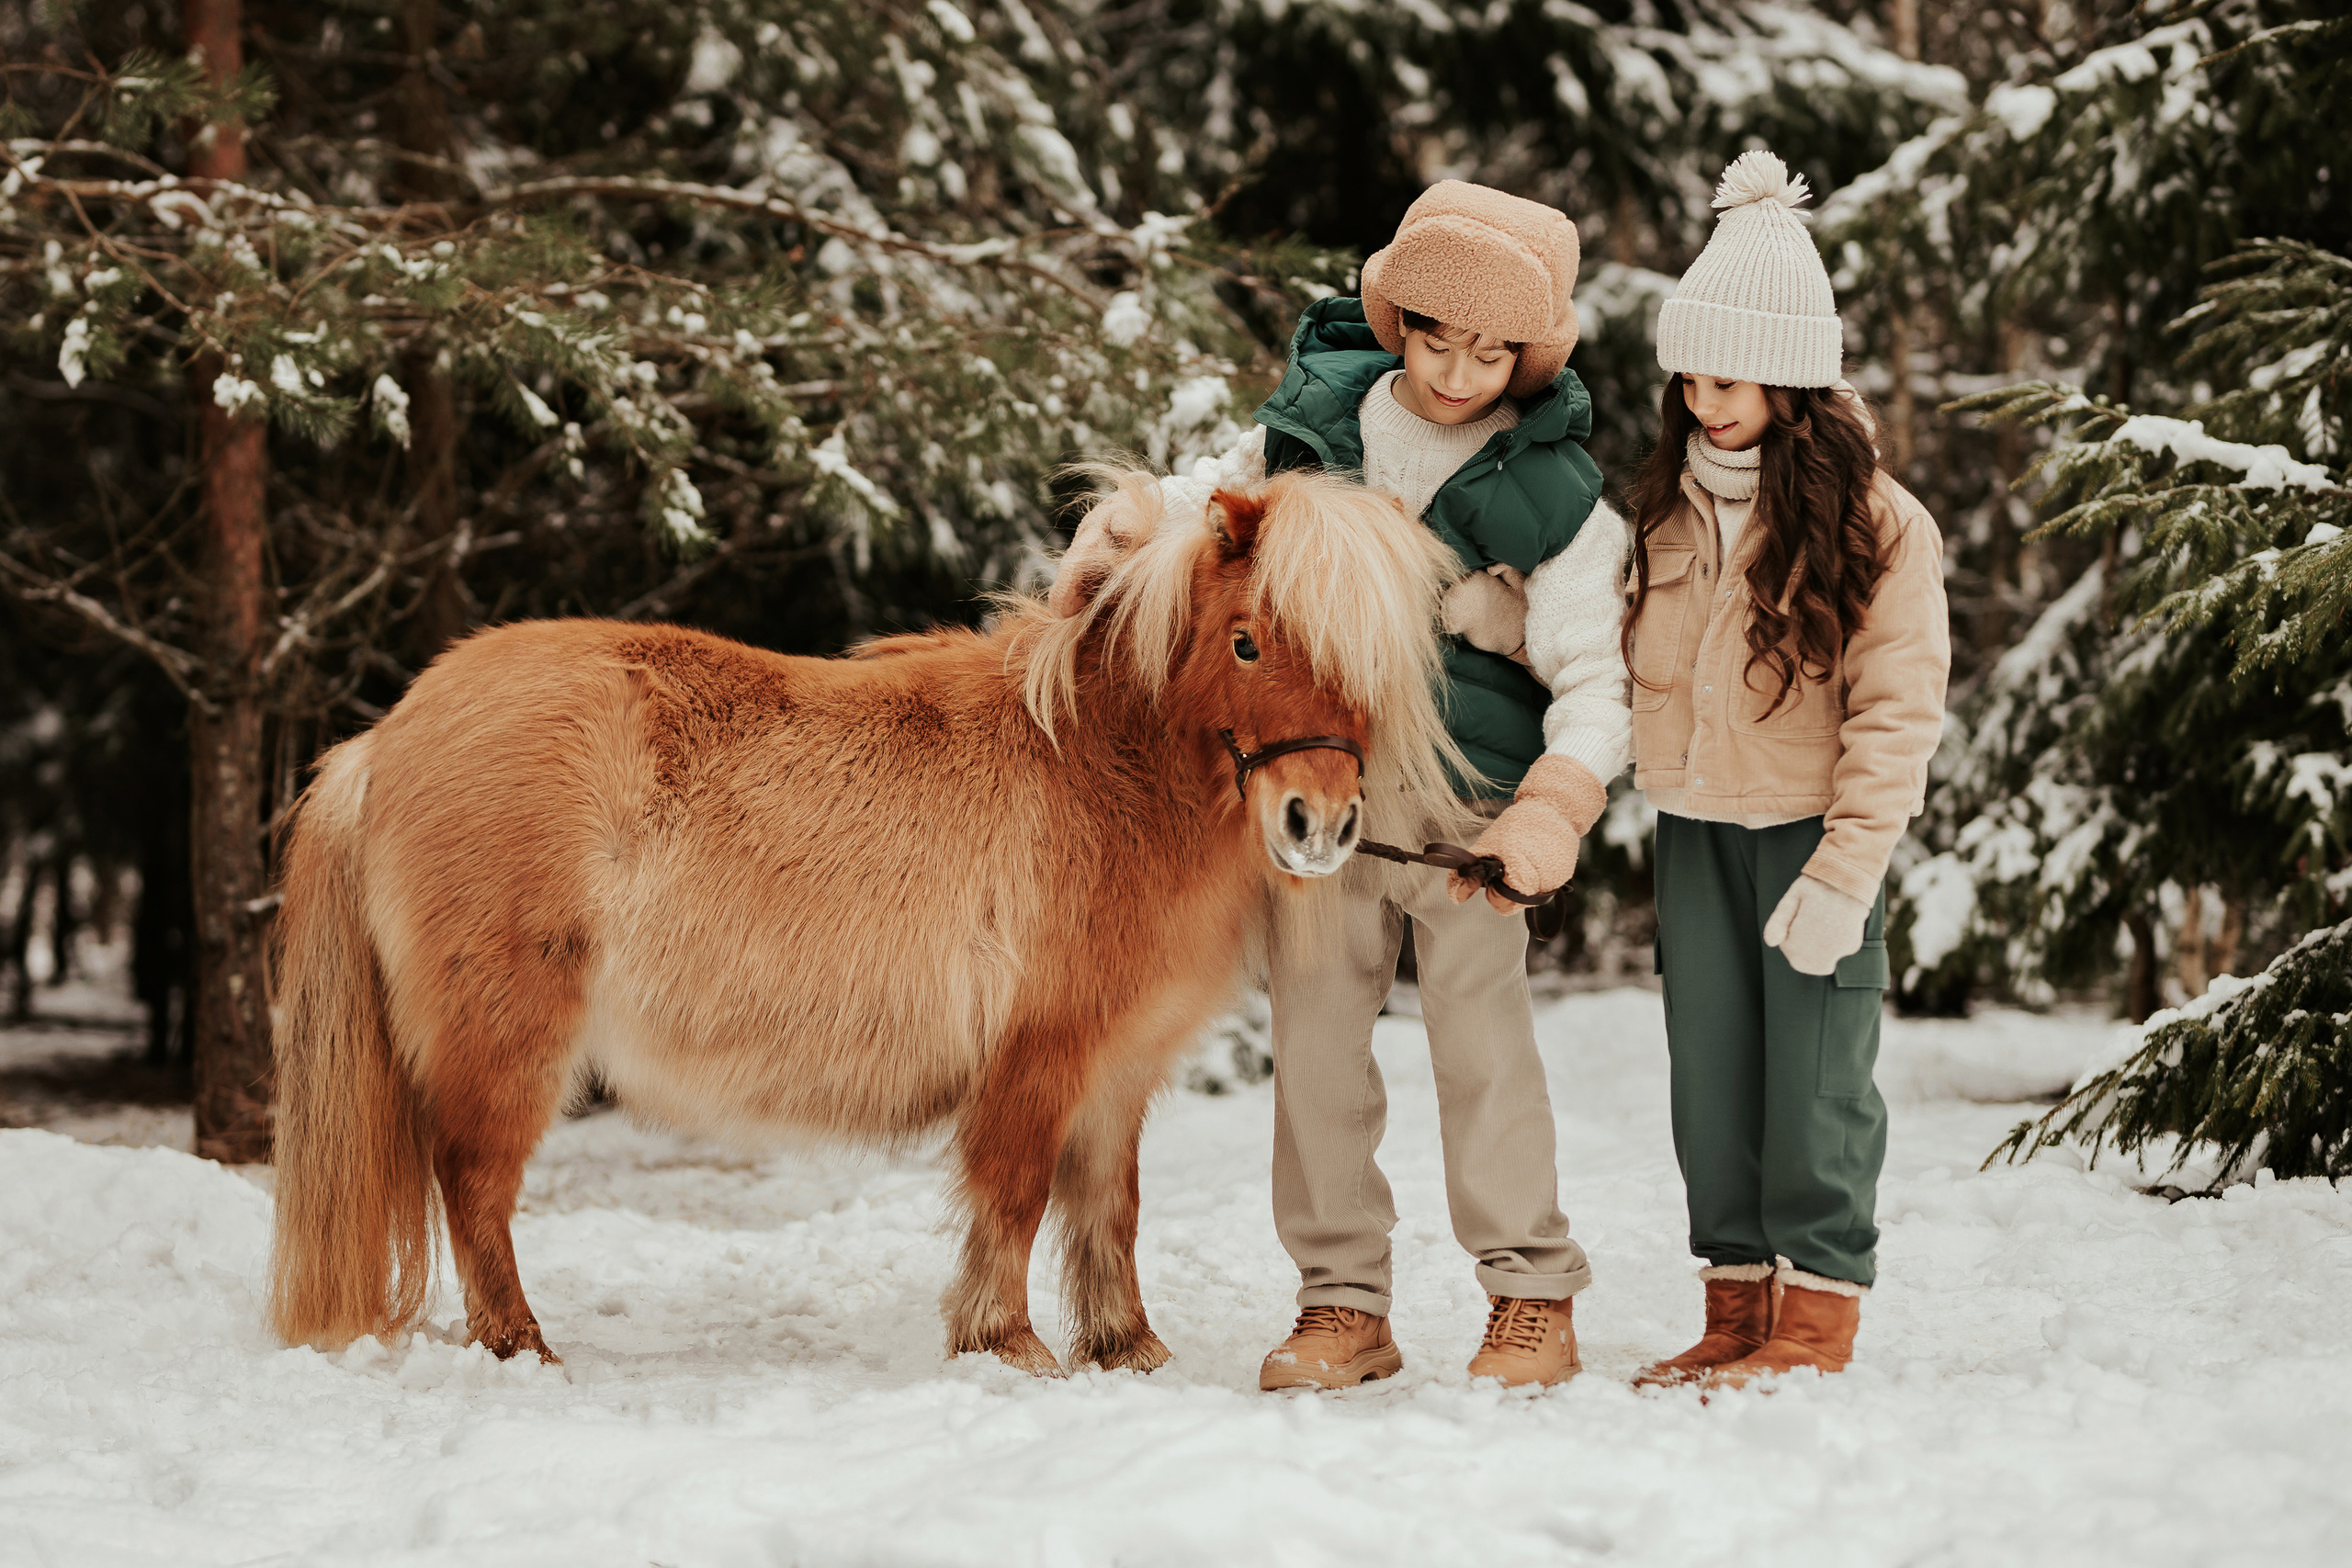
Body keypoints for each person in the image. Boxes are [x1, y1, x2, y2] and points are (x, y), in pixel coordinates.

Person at [1053, 182, 1631, 1390]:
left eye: (1492, 352)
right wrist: (1125, 527)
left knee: (1483, 1051)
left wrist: (1554, 808)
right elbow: (1205, 505)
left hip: (1472, 815)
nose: (1459, 373)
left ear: (1529, 357)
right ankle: (1341, 1302)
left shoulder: (1560, 495)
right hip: (1321, 790)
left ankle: (1530, 1293)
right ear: (1398, 318)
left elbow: (1596, 676)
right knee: (1315, 1048)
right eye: (1437, 338)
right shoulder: (1315, 430)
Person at [1622, 151, 1950, 1391]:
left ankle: (1813, 1317)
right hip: (1694, 828)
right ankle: (1735, 1306)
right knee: (1710, 1082)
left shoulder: (1879, 523)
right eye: (1691, 379)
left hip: (1814, 836)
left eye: (1730, 380)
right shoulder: (1661, 510)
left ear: (1791, 379)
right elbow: (1604, 637)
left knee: (1816, 1086)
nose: (1705, 403)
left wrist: (1848, 871)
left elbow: (1898, 711)